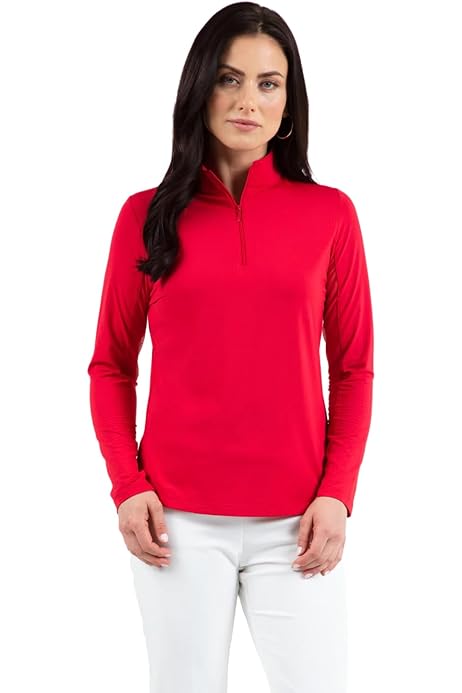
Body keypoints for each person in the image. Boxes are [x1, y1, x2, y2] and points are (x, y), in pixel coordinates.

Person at [87, 2, 374, 691]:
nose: (249, 100)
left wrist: (338, 494)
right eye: (229, 78)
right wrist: (128, 486)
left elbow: (353, 368)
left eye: (269, 83)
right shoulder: (145, 216)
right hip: (175, 525)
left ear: (288, 102)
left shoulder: (330, 214)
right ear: (200, 88)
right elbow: (111, 366)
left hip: (298, 523)